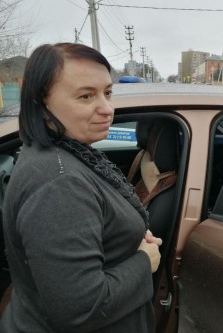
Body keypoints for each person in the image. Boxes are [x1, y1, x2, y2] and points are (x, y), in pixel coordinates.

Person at [0, 43, 162, 332]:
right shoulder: (59, 182)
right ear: (42, 102)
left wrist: (129, 237)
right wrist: (142, 261)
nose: (107, 108)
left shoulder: (65, 153)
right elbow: (82, 308)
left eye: (107, 93)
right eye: (86, 96)